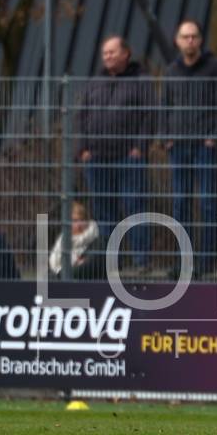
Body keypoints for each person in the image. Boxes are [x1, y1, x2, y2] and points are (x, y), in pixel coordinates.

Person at [76, 35, 155, 273]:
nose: (108, 56)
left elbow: (151, 114)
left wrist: (140, 147)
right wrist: (83, 149)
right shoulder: (94, 82)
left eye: (112, 52)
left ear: (126, 53)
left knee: (134, 207)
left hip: (128, 158)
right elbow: (81, 117)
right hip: (97, 158)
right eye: (105, 53)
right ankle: (111, 262)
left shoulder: (141, 80)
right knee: (103, 212)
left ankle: (142, 262)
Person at [163, 19, 217, 277]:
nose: (190, 41)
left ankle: (207, 261)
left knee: (208, 202)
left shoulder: (215, 68)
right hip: (178, 145)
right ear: (177, 41)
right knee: (181, 203)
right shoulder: (171, 71)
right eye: (185, 36)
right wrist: (166, 137)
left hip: (205, 146)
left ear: (200, 40)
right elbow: (164, 106)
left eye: (194, 36)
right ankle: (183, 261)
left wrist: (215, 137)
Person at [49, 202, 104, 280]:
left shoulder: (95, 237)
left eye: (82, 220)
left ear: (87, 221)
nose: (78, 224)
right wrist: (74, 261)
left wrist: (82, 263)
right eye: (74, 221)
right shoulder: (63, 239)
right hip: (68, 272)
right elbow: (54, 262)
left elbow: (91, 263)